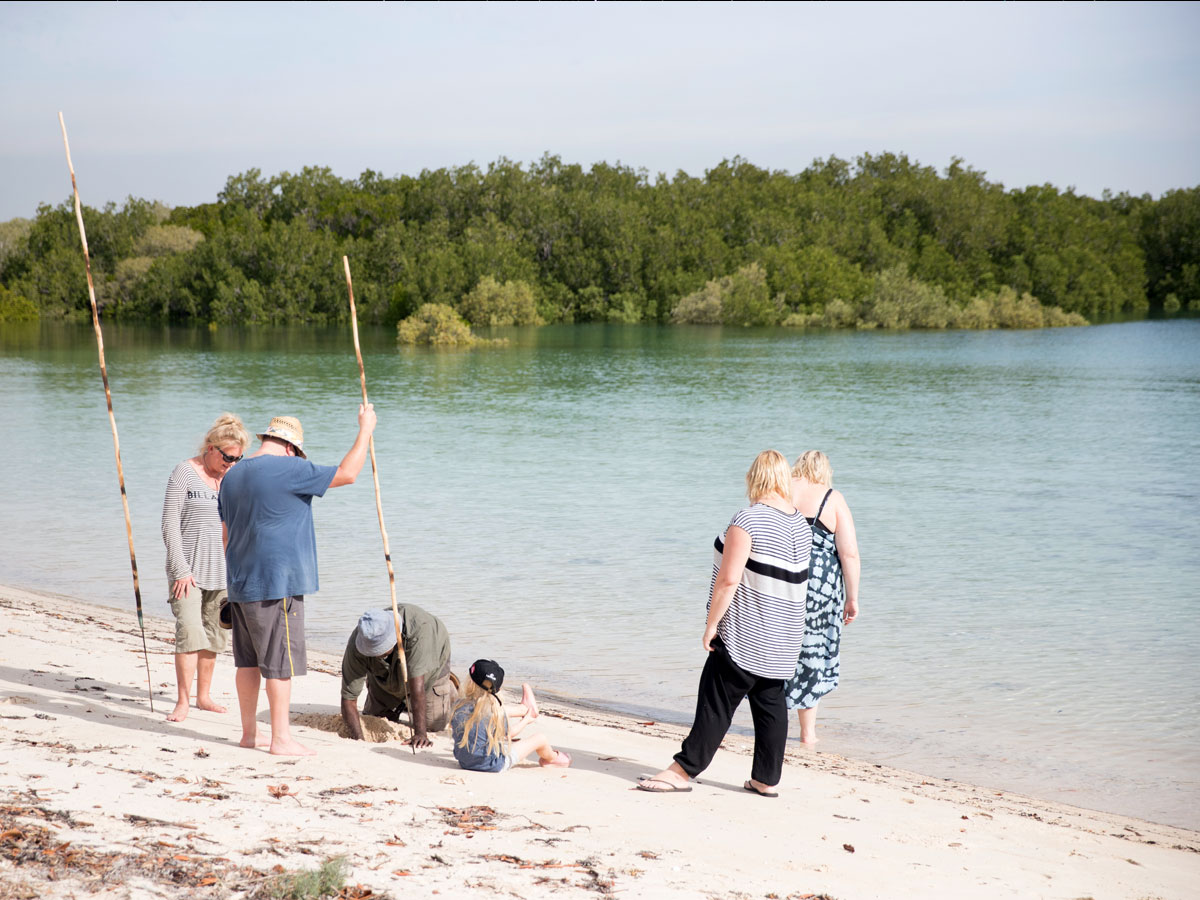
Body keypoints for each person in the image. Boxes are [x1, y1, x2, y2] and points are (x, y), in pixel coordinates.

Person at [638, 450, 811, 797]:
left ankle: (682, 770)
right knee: (770, 703)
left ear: (755, 477)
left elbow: (729, 580)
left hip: (748, 630)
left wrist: (711, 624)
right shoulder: (800, 524)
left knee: (716, 699)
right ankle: (766, 778)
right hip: (785, 633)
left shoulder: (748, 520)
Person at [219, 407, 376, 756]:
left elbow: (226, 534)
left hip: (240, 582)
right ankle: (280, 739)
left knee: (247, 663)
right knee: (278, 664)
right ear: (291, 447)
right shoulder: (291, 469)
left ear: (267, 439)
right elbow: (348, 474)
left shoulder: (232, 475)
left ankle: (249, 734)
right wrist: (366, 429)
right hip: (277, 584)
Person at [161, 413, 250, 722]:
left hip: (224, 572)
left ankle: (203, 696)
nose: (232, 463)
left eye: (238, 459)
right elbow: (169, 523)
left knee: (214, 636)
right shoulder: (184, 472)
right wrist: (180, 568)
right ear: (211, 447)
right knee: (189, 632)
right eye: (227, 457)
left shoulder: (233, 479)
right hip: (187, 572)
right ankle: (183, 700)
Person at [783, 450, 861, 745]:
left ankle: (771, 720)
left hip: (782, 575)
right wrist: (852, 598)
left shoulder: (781, 490)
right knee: (811, 651)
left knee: (780, 646)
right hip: (820, 585)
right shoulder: (833, 498)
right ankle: (807, 733)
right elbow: (849, 553)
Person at [339, 605, 460, 748]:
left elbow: (418, 688)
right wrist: (358, 740)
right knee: (374, 719)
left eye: (380, 649)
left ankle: (447, 688)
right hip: (385, 676)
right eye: (371, 652)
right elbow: (348, 699)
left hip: (429, 675)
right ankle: (400, 700)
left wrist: (420, 734)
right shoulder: (360, 639)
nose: (376, 653)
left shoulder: (420, 632)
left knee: (432, 726)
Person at [451, 659, 570, 772]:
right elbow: (509, 734)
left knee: (484, 711)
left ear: (469, 682)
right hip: (494, 765)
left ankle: (523, 709)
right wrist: (526, 721)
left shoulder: (458, 706)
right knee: (540, 738)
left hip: (465, 763)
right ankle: (552, 759)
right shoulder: (496, 714)